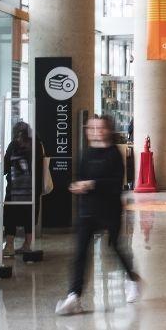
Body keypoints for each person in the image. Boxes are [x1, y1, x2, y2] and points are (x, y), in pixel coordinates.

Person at [55, 116, 140, 315]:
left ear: (107, 130)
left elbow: (115, 183)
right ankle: (74, 296)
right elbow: (80, 176)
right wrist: (77, 185)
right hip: (87, 210)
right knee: (80, 252)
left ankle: (132, 280)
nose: (95, 131)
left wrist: (92, 184)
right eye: (91, 128)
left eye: (99, 128)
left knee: (115, 246)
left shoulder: (114, 154)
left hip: (109, 209)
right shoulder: (86, 153)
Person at [2, 121, 43, 257]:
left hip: (15, 190)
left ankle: (9, 246)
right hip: (32, 190)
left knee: (10, 218)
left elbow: (5, 167)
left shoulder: (13, 146)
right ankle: (27, 245)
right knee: (29, 217)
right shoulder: (37, 145)